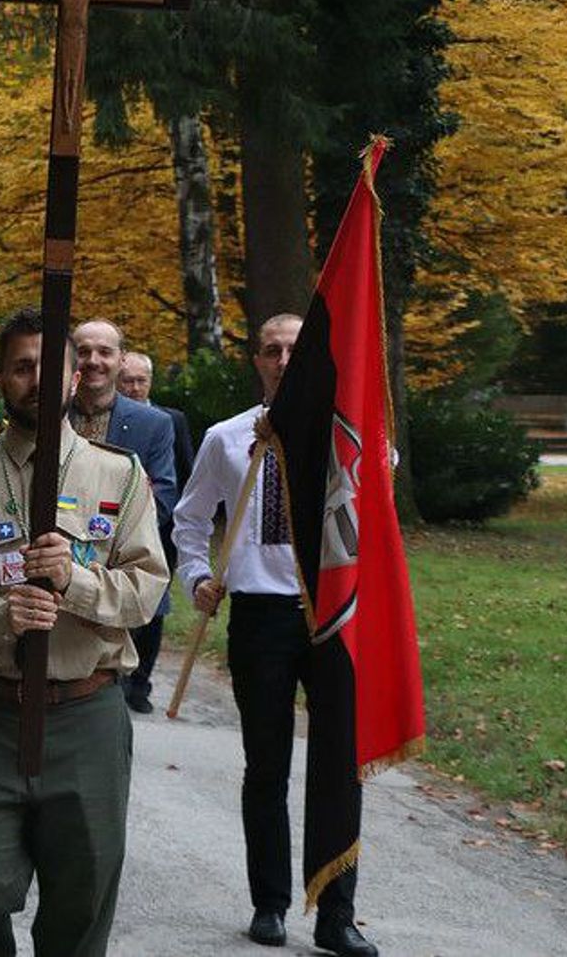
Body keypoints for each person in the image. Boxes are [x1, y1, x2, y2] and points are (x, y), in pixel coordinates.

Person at [0, 309, 166, 957]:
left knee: (83, 899)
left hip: (86, 713)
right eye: (21, 367)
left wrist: (76, 583)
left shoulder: (120, 477)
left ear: (76, 376)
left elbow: (146, 590)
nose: (35, 381)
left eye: (48, 368)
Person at [172, 314, 376, 956]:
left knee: (340, 765)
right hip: (261, 615)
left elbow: (383, 493)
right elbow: (189, 519)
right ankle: (270, 903)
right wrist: (199, 575)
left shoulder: (350, 440)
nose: (284, 360)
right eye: (271, 350)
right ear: (256, 361)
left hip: (334, 615)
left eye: (296, 350)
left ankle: (337, 915)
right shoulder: (229, 439)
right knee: (266, 766)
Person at [69, 321, 177, 715]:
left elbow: (163, 494)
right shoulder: (47, 414)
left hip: (117, 567)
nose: (94, 361)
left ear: (122, 360)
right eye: (84, 351)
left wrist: (109, 540)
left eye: (105, 352)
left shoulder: (153, 424)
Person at [119, 351, 194, 491]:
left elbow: (186, 470)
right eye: (128, 381)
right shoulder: (108, 418)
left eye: (141, 381)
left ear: (150, 380)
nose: (135, 388)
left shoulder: (173, 420)